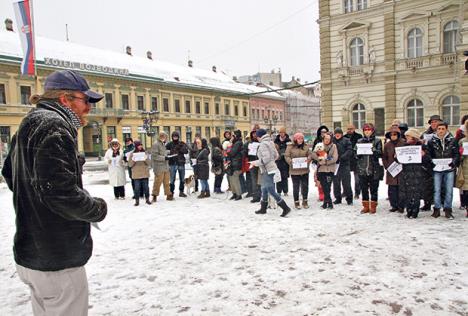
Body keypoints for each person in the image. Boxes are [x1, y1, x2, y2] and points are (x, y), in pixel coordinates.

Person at [1, 69, 107, 315]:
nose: (89, 108)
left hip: (32, 253)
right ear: (64, 99)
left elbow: (11, 174)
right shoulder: (55, 126)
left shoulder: (31, 121)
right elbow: (60, 194)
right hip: (57, 258)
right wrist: (97, 209)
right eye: (85, 100)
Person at [253, 129, 291, 217]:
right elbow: (276, 155)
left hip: (267, 169)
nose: (257, 138)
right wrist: (271, 161)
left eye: (257, 136)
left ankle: (285, 208)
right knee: (264, 188)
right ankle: (263, 208)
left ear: (259, 136)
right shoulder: (270, 142)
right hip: (271, 168)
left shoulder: (263, 144)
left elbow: (265, 159)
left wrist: (256, 163)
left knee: (270, 189)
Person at [427, 121, 460, 219]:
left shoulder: (453, 140)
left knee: (449, 190)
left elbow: (456, 154)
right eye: (439, 129)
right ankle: (436, 208)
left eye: (443, 129)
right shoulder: (431, 141)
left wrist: (453, 162)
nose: (441, 131)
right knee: (437, 189)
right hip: (437, 169)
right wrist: (432, 162)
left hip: (449, 168)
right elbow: (429, 154)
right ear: (436, 130)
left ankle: (448, 209)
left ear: (446, 129)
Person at [398, 129, 433, 219]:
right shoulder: (404, 146)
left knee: (416, 193)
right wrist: (396, 157)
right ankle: (409, 210)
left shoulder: (423, 147)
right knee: (408, 193)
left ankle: (415, 211)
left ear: (413, 137)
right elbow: (399, 160)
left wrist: (424, 155)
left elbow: (428, 160)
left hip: (419, 173)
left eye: (408, 136)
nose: (406, 138)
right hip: (407, 172)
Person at [355, 123, 384, 214]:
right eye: (365, 130)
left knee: (374, 189)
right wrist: (357, 153)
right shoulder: (359, 141)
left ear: (372, 131)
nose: (367, 132)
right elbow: (355, 153)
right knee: (364, 189)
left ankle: (373, 205)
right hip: (362, 169)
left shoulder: (377, 141)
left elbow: (380, 154)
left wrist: (373, 150)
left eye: (369, 130)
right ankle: (366, 206)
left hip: (374, 168)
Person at [285, 132, 312, 209]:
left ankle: (305, 201)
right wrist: (290, 161)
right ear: (295, 139)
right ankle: (296, 202)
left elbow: (310, 154)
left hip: (304, 169)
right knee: (296, 187)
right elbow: (287, 156)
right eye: (299, 138)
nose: (300, 140)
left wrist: (309, 159)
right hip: (294, 170)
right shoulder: (290, 147)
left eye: (302, 138)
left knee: (305, 186)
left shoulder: (306, 146)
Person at [311, 132, 338, 209]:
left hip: (330, 169)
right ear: (323, 139)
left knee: (328, 187)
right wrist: (319, 159)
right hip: (321, 169)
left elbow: (335, 158)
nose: (327, 140)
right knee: (324, 186)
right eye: (325, 139)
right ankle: (327, 203)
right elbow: (313, 154)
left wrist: (326, 162)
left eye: (328, 139)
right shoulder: (319, 145)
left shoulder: (334, 146)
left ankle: (328, 203)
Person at [382, 126, 405, 212]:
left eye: (395, 134)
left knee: (401, 188)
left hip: (401, 168)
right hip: (391, 169)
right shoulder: (387, 145)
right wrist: (387, 166)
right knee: (392, 189)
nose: (393, 136)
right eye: (391, 135)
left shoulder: (403, 143)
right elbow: (384, 157)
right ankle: (393, 205)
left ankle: (401, 205)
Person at [332, 127, 353, 205]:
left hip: (344, 164)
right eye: (336, 133)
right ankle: (338, 198)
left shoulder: (346, 140)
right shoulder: (332, 141)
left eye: (339, 133)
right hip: (335, 165)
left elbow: (350, 150)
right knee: (336, 183)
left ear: (341, 134)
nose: (337, 135)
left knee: (346, 183)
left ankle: (349, 199)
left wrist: (343, 157)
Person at [151, 131, 173, 202]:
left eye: (164, 136)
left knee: (166, 182)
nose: (163, 137)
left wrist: (170, 152)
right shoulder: (155, 144)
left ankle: (168, 194)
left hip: (166, 166)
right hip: (159, 167)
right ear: (159, 136)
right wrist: (164, 158)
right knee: (157, 182)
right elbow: (155, 156)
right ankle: (154, 195)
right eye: (162, 136)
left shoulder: (163, 144)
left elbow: (163, 152)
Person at [128, 140, 151, 206]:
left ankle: (147, 199)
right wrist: (134, 160)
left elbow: (149, 163)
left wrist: (146, 159)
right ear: (136, 146)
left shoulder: (145, 152)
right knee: (137, 188)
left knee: (146, 187)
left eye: (141, 145)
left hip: (144, 173)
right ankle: (137, 201)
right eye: (139, 145)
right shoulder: (132, 154)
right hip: (136, 174)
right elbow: (129, 165)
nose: (140, 146)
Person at [166, 131, 188, 197]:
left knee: (182, 178)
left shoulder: (182, 143)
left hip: (181, 163)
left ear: (178, 137)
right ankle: (171, 192)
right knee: (172, 179)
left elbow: (186, 151)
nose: (175, 138)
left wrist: (181, 148)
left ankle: (181, 191)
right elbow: (166, 152)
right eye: (174, 136)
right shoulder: (169, 144)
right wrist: (172, 151)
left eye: (176, 136)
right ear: (172, 137)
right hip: (172, 163)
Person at [344, 124, 362, 199]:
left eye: (351, 128)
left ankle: (357, 193)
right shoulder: (344, 137)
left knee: (357, 178)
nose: (349, 130)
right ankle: (346, 191)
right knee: (346, 178)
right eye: (348, 128)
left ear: (354, 129)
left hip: (356, 159)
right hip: (347, 160)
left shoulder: (359, 136)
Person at [226, 130, 244, 200]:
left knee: (235, 179)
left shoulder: (238, 143)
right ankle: (234, 193)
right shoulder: (235, 143)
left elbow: (232, 153)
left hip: (236, 163)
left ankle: (238, 194)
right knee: (231, 179)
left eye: (233, 135)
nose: (231, 137)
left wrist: (229, 145)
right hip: (233, 163)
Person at [274, 127, 291, 196]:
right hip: (278, 161)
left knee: (285, 177)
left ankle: (285, 191)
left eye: (283, 132)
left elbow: (290, 149)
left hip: (285, 161)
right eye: (280, 132)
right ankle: (278, 191)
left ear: (285, 133)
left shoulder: (288, 140)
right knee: (278, 176)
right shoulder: (276, 140)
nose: (282, 134)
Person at [245, 130, 261, 202]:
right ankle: (256, 196)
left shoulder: (262, 143)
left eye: (256, 134)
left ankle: (263, 195)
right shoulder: (249, 143)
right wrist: (247, 151)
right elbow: (244, 152)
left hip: (261, 163)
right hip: (252, 162)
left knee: (261, 180)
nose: (254, 135)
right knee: (254, 180)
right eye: (253, 134)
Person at [458, 119, 468, 217]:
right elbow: (459, 157)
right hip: (465, 167)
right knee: (466, 190)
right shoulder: (463, 141)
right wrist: (460, 153)